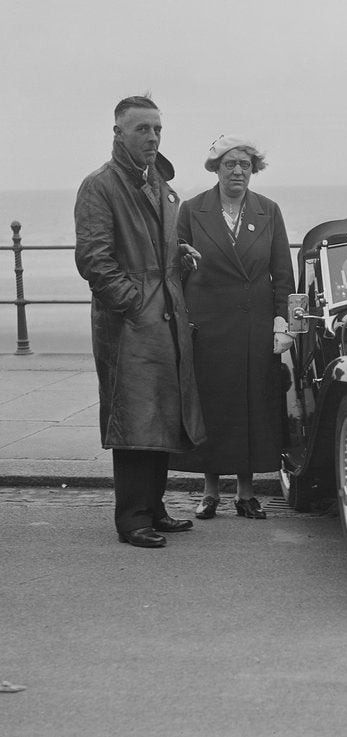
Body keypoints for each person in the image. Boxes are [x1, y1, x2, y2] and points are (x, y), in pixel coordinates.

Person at [75, 95, 206, 548]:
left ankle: (154, 507)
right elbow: (94, 258)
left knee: (163, 415)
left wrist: (179, 258)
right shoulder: (101, 185)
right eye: (142, 129)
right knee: (135, 419)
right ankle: (132, 519)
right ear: (118, 133)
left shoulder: (160, 184)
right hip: (131, 322)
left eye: (157, 129)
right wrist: (132, 304)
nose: (152, 137)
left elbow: (154, 250)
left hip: (165, 315)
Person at [170, 135, 296, 520]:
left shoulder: (268, 210)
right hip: (207, 324)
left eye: (245, 164)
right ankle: (209, 492)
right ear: (216, 168)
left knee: (250, 405)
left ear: (253, 170)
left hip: (253, 324)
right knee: (211, 405)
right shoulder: (192, 210)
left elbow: (282, 274)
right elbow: (174, 266)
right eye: (229, 164)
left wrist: (282, 322)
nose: (238, 170)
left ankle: (246, 492)